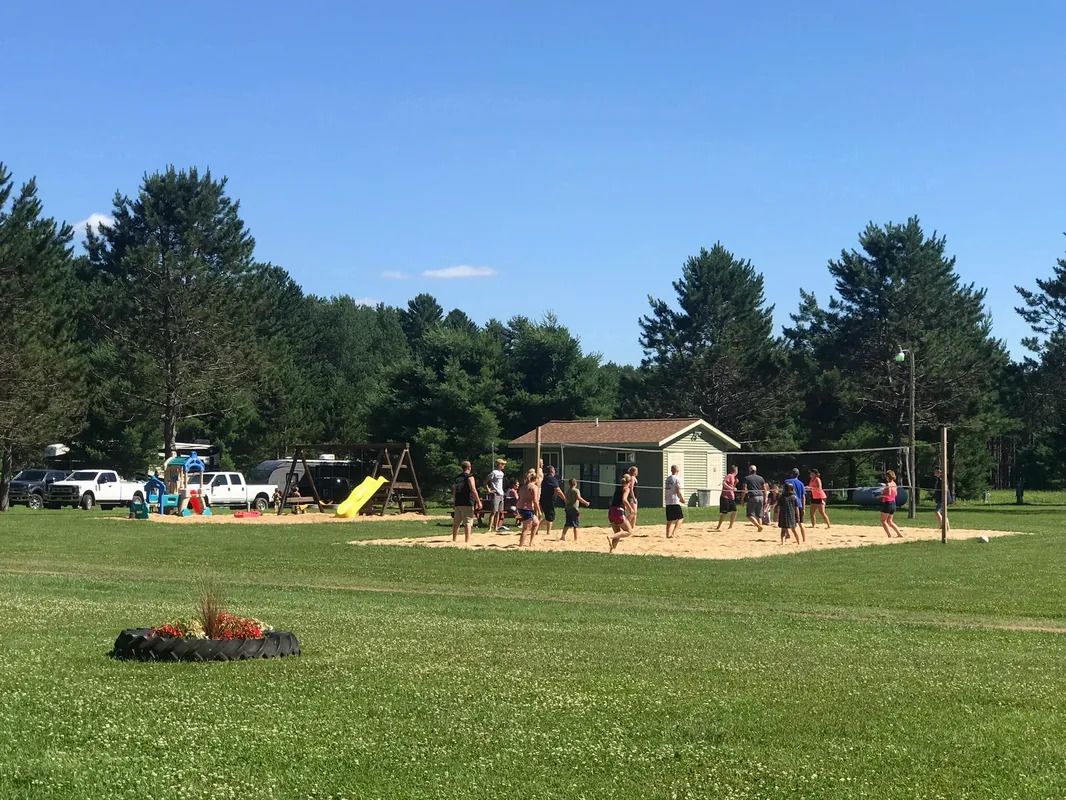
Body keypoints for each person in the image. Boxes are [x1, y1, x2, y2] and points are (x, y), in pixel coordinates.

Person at [451, 460, 481, 543]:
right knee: (468, 522)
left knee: (456, 523)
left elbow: (454, 490)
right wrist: (478, 501)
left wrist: (454, 502)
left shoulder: (457, 478)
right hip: (467, 502)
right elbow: (473, 489)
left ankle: (454, 540)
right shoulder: (470, 477)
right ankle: (467, 541)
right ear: (469, 467)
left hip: (458, 502)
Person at [607, 474, 637, 552]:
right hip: (618, 512)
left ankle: (612, 550)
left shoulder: (618, 488)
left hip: (611, 511)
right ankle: (611, 537)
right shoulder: (626, 489)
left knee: (618, 533)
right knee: (629, 531)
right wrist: (631, 509)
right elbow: (624, 499)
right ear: (629, 482)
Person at [538, 465, 567, 538]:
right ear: (552, 471)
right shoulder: (551, 479)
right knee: (550, 517)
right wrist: (564, 498)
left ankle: (548, 532)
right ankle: (536, 527)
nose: (555, 471)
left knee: (549, 516)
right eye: (554, 470)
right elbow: (557, 490)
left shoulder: (546, 478)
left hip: (544, 499)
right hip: (548, 500)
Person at [517, 468, 541, 547]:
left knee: (536, 523)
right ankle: (520, 545)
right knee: (526, 529)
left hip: (520, 507)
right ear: (536, 479)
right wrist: (539, 511)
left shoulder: (523, 486)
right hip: (526, 509)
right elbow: (535, 501)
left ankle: (531, 542)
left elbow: (520, 496)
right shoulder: (534, 487)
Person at [739, 464, 767, 532]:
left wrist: (742, 499)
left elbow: (744, 490)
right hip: (760, 496)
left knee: (749, 515)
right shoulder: (761, 478)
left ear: (749, 470)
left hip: (752, 497)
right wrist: (765, 498)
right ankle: (759, 530)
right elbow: (765, 489)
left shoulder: (747, 478)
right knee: (759, 515)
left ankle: (759, 526)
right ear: (756, 470)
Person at [783, 468, 807, 539]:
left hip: (789, 504)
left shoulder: (787, 481)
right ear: (798, 475)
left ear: (791, 474)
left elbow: (784, 493)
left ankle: (787, 534)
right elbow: (803, 497)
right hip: (799, 504)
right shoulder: (801, 483)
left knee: (786, 521)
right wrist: (803, 508)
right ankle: (804, 538)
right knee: (800, 523)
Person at [879, 469, 903, 538]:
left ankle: (889, 535)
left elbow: (888, 494)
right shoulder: (894, 484)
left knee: (883, 521)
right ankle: (899, 534)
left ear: (888, 476)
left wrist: (881, 495)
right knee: (890, 521)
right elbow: (895, 494)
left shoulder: (888, 484)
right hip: (893, 503)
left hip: (887, 503)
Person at [486, 458, 508, 532]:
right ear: (499, 464)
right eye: (503, 464)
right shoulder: (493, 472)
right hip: (495, 494)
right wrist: (489, 489)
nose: (504, 466)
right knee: (493, 511)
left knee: (499, 511)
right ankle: (489, 528)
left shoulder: (502, 473)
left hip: (501, 493)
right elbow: (485, 481)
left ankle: (496, 527)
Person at [664, 464, 684, 538]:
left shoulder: (668, 479)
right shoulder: (677, 479)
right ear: (677, 470)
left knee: (670, 520)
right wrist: (681, 498)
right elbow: (678, 490)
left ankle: (667, 535)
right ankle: (674, 533)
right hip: (674, 500)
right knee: (680, 518)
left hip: (668, 501)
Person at [716, 465, 739, 530]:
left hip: (731, 498)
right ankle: (718, 526)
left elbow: (731, 486)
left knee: (734, 511)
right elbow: (724, 483)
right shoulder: (729, 475)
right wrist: (731, 488)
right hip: (725, 497)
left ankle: (730, 526)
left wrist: (735, 484)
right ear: (735, 470)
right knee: (724, 512)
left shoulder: (734, 478)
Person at [933, 466, 950, 532]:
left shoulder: (943, 479)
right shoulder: (940, 479)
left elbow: (945, 487)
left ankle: (943, 527)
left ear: (939, 472)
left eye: (936, 471)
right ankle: (948, 528)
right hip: (942, 498)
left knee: (937, 512)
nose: (934, 473)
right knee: (943, 514)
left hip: (943, 498)